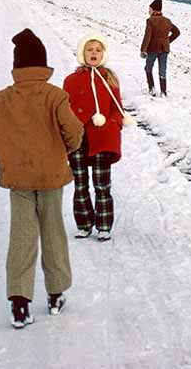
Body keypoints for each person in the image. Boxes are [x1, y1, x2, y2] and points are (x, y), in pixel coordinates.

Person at [0, 28, 85, 329]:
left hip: (18, 179)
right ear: (42, 65)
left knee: (21, 236)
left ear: (17, 66)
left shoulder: (1, 99)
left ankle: (19, 304)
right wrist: (62, 149)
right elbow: (74, 133)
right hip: (51, 175)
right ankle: (56, 295)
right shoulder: (56, 96)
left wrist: (4, 143)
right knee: (53, 231)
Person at [63, 34, 133, 241]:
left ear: (103, 54)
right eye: (90, 49)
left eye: (98, 50)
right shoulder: (72, 80)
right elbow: (65, 109)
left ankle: (104, 225)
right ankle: (84, 224)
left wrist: (112, 124)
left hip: (102, 138)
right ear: (82, 53)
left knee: (102, 185)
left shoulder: (109, 79)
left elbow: (117, 107)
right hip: (79, 138)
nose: (94, 53)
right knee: (80, 183)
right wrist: (77, 120)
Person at [140, 0, 180, 96]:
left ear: (153, 9)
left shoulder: (150, 21)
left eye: (149, 9)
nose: (148, 10)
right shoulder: (167, 21)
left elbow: (147, 36)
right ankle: (163, 92)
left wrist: (143, 50)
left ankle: (152, 89)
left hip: (152, 49)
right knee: (162, 70)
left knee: (148, 68)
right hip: (164, 49)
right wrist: (167, 42)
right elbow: (177, 32)